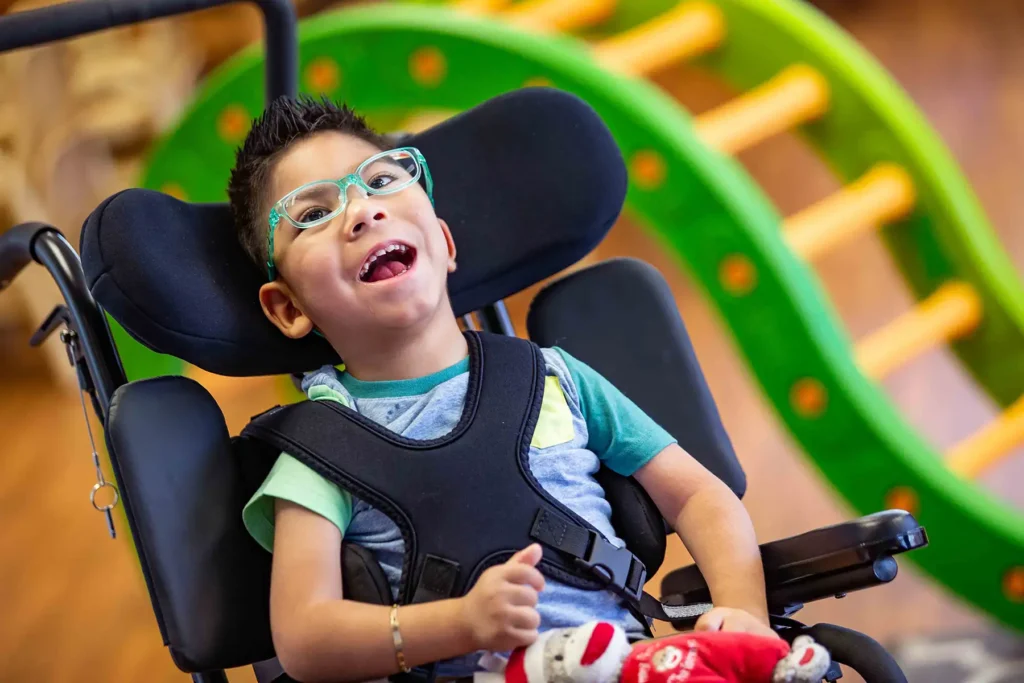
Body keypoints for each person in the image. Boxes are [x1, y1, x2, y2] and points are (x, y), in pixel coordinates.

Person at [228, 95, 777, 683]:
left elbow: (698, 496)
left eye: (382, 180)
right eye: (312, 213)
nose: (362, 212)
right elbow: (305, 638)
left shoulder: (555, 378)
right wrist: (462, 623)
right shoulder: (321, 454)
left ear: (444, 242)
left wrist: (745, 616)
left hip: (629, 663)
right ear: (287, 308)